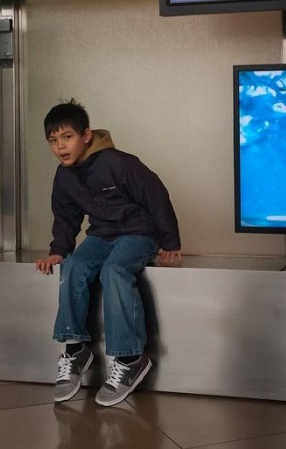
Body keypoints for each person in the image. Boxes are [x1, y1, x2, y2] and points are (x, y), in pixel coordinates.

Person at [35, 99, 182, 407]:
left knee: (113, 271)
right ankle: (75, 350)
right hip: (102, 235)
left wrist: (170, 242)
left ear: (86, 135)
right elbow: (65, 217)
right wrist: (58, 251)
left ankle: (130, 359)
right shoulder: (64, 176)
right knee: (73, 266)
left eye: (67, 137)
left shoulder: (118, 163)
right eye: (53, 140)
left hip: (139, 233)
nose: (60, 146)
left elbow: (156, 196)